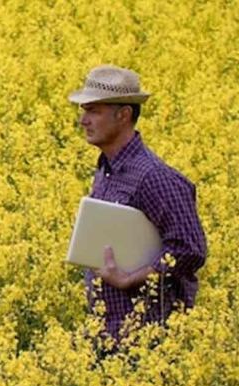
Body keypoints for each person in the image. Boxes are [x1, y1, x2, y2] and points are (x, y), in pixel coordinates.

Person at [68, 65, 208, 345]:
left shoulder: (154, 177)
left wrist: (130, 278)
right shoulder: (107, 168)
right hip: (108, 331)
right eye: (84, 111)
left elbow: (190, 249)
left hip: (149, 337)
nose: (83, 120)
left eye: (93, 111)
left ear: (123, 115)